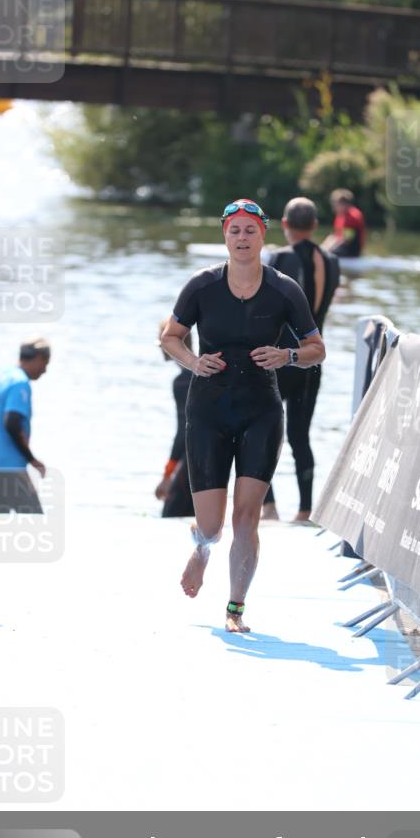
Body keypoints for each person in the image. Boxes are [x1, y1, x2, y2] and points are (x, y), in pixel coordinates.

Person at [161, 198, 326, 633]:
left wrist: (287, 354)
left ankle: (235, 608)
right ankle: (201, 547)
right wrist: (193, 362)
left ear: (263, 235)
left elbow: (316, 348)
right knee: (214, 526)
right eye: (234, 230)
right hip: (209, 410)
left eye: (250, 230)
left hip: (262, 410)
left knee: (247, 516)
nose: (242, 238)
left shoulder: (284, 289)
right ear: (224, 235)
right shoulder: (201, 286)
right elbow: (171, 336)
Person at [261, 197, 340, 522]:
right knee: (299, 437)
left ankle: (269, 507)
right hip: (311, 360)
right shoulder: (332, 262)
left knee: (263, 430)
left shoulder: (277, 257)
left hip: (279, 359)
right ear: (315, 226)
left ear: (285, 224)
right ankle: (306, 510)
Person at [0, 338, 50, 513]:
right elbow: (12, 422)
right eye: (45, 363)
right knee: (34, 523)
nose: (45, 370)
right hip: (8, 469)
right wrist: (31, 459)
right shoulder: (20, 383)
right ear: (38, 357)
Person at [155, 321, 194, 518]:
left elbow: (183, 432)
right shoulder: (203, 372)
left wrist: (167, 475)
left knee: (170, 516)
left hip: (192, 458)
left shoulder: (182, 383)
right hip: (213, 456)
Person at [322, 187, 366, 258]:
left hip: (352, 252)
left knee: (327, 253)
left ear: (343, 204)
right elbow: (337, 236)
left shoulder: (353, 216)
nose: (333, 206)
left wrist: (328, 250)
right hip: (344, 247)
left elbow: (347, 240)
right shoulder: (340, 216)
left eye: (335, 204)